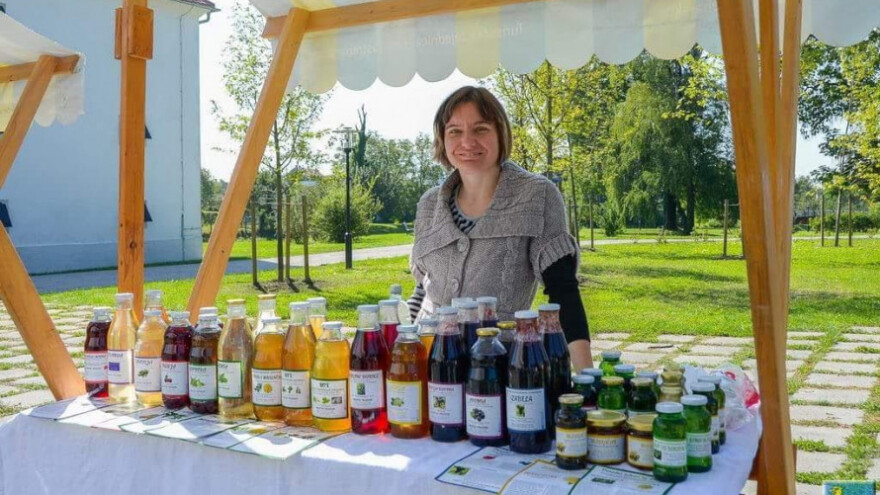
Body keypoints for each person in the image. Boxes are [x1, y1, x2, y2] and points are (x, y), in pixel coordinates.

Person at [407, 86, 592, 369]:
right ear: (442, 139)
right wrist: (404, 343)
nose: (466, 141)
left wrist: (585, 377)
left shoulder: (536, 195)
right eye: (454, 131)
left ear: (500, 134)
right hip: (428, 359)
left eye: (480, 129)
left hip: (501, 365)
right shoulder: (429, 204)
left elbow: (563, 293)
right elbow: (423, 289)